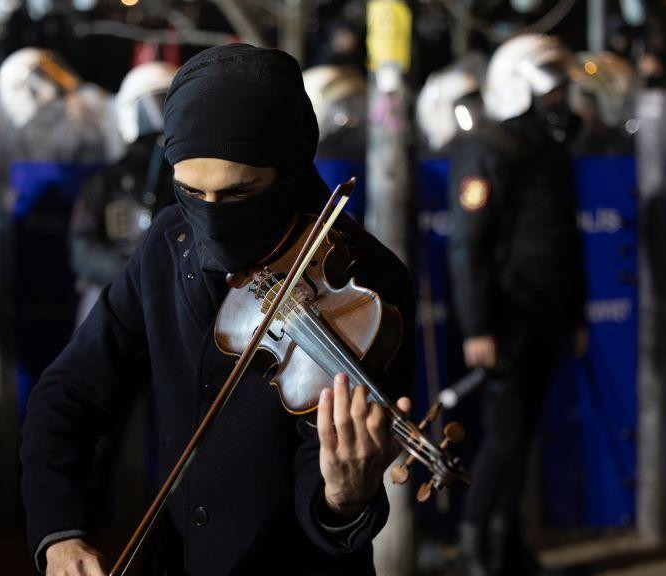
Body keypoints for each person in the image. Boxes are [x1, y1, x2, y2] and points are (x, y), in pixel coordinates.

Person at [20, 44, 416, 576]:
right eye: (190, 191)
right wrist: (59, 532)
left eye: (238, 194)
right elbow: (68, 394)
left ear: (290, 167)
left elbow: (317, 486)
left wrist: (341, 499)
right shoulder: (169, 240)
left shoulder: (365, 284)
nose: (210, 219)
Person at [447, 33, 587, 576]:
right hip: (506, 321)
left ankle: (509, 552)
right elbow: (469, 246)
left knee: (523, 436)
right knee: (504, 439)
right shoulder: (489, 148)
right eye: (551, 92)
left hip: (546, 318)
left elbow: (566, 240)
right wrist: (478, 326)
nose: (561, 102)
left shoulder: (549, 152)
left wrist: (574, 316)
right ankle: (476, 554)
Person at [68, 61, 178, 322]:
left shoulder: (189, 177)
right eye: (152, 103)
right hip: (116, 293)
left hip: (173, 293)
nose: (159, 116)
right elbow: (83, 249)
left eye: (166, 102)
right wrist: (132, 275)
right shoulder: (107, 181)